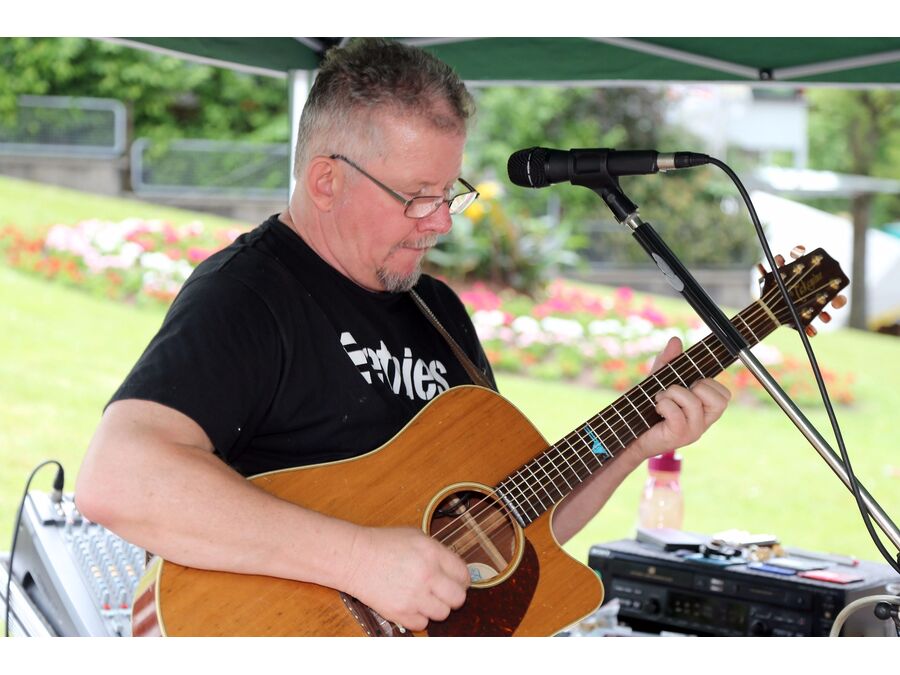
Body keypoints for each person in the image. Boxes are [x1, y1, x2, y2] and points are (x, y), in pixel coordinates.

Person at [75, 38, 730, 634]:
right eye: (418, 196)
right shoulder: (248, 295)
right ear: (327, 181)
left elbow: (509, 527)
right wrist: (359, 560)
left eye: (450, 193)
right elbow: (119, 478)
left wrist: (634, 442)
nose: (441, 222)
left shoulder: (437, 312)